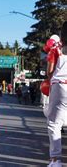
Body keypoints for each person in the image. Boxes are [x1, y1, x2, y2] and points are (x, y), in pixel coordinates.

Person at [46, 22, 67, 167]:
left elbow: (50, 71)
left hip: (60, 84)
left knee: (54, 122)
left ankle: (55, 160)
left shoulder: (55, 48)